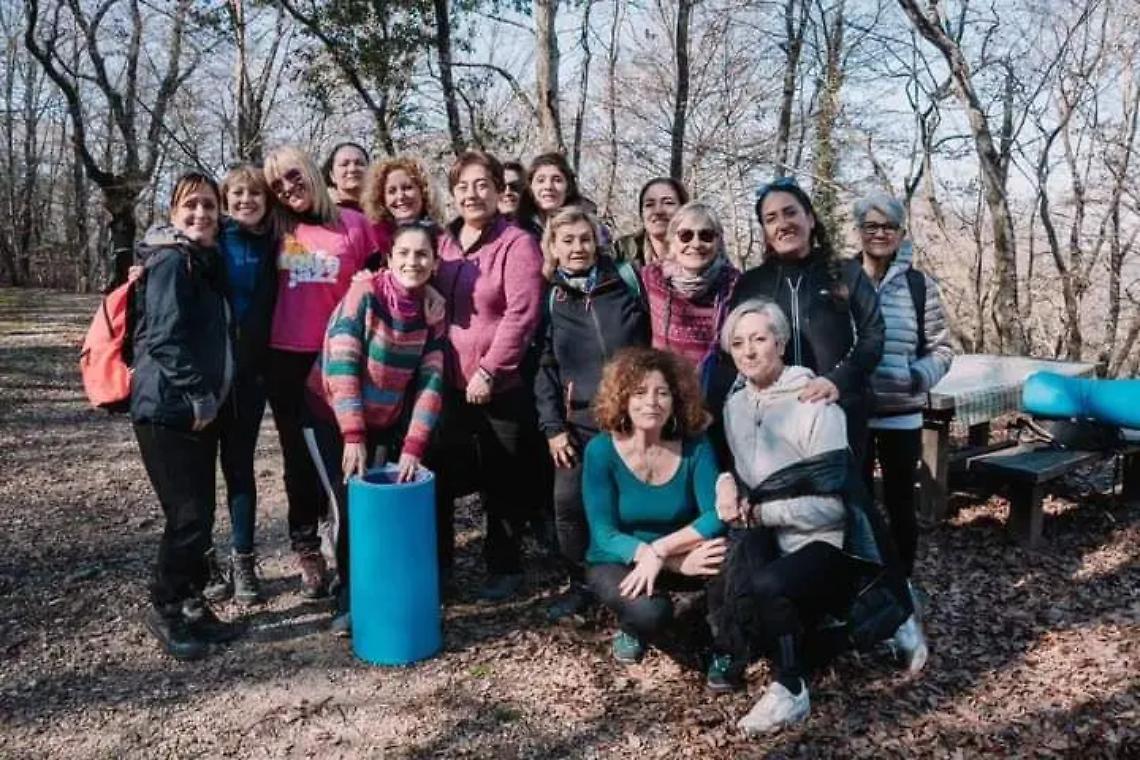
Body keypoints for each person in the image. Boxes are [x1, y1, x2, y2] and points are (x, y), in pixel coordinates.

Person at [711, 298, 921, 735]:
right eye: (737, 343)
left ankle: (791, 691)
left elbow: (832, 503)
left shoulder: (814, 403)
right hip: (776, 536)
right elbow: (751, 480)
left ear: (781, 343)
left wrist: (761, 512)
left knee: (769, 586)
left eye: (759, 339)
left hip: (831, 543)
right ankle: (856, 626)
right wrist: (725, 485)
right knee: (740, 593)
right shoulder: (734, 408)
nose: (748, 351)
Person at [303, 222, 447, 636]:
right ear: (389, 257)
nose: (412, 262)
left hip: (384, 418)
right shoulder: (363, 294)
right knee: (349, 505)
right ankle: (349, 598)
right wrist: (352, 435)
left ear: (434, 262)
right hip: (330, 414)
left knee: (379, 509)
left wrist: (414, 446)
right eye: (403, 253)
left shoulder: (433, 312)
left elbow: (431, 382)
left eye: (422, 255)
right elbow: (342, 365)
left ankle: (380, 592)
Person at [131, 172, 245, 661]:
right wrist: (200, 395)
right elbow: (163, 337)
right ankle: (165, 606)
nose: (200, 214)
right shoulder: (172, 262)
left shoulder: (205, 260)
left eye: (208, 206)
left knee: (200, 514)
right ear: (173, 213)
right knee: (187, 518)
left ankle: (194, 605)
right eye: (189, 206)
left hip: (197, 412)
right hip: (167, 411)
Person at [429, 150, 545, 601]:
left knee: (504, 478)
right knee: (437, 471)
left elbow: (522, 315)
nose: (472, 194)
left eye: (481, 185)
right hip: (448, 384)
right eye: (462, 187)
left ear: (499, 190)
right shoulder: (444, 243)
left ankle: (505, 567)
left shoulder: (517, 244)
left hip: (500, 385)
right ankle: (440, 568)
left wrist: (489, 370)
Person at [263, 145, 378, 599]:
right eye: (277, 185)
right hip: (286, 358)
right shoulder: (276, 228)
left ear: (311, 170)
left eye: (293, 176)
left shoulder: (355, 225)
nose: (288, 188)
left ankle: (344, 542)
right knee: (297, 460)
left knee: (342, 457)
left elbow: (383, 279)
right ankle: (306, 547)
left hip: (341, 357)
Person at [534, 207, 650, 619]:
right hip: (577, 422)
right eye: (567, 241)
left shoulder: (626, 281)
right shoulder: (551, 297)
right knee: (568, 504)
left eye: (584, 239)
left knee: (630, 502)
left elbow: (652, 343)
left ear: (597, 241)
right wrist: (553, 428)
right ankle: (580, 584)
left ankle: (635, 584)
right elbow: (545, 367)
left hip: (632, 418)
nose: (577, 248)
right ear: (553, 247)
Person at [582, 347, 727, 667]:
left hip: (679, 550)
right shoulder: (600, 451)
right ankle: (631, 629)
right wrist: (667, 561)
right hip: (619, 559)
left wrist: (663, 551)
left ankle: (725, 646)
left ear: (675, 401)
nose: (651, 402)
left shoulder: (696, 446)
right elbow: (604, 533)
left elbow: (717, 514)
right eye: (639, 392)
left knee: (732, 559)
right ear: (623, 399)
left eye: (662, 392)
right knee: (651, 613)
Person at [725, 178, 884, 466]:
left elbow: (873, 335)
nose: (782, 223)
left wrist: (838, 381)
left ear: (810, 218)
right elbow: (736, 349)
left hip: (842, 409)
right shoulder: (751, 284)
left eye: (790, 212)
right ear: (765, 231)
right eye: (771, 218)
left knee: (844, 504)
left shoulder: (847, 273)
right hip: (775, 422)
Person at [854, 192, 953, 580]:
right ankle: (862, 582)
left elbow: (942, 347)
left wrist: (918, 377)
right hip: (854, 415)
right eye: (871, 225)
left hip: (903, 416)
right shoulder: (843, 278)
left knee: (899, 505)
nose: (880, 233)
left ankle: (901, 584)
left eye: (888, 226)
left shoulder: (918, 285)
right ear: (859, 230)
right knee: (857, 504)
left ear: (901, 232)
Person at [200, 163, 279, 606]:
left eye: (254, 194)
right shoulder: (210, 240)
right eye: (237, 195)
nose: (246, 201)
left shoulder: (278, 243)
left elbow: (315, 275)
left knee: (240, 468)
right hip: (209, 374)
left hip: (251, 375)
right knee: (199, 476)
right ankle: (206, 560)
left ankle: (243, 560)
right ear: (226, 201)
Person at [642, 201, 740, 384]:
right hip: (666, 393)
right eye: (686, 236)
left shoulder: (736, 286)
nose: (696, 244)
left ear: (718, 241)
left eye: (706, 235)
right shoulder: (652, 278)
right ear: (672, 241)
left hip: (715, 396)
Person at [613, 177, 689, 267]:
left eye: (668, 203)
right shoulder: (623, 251)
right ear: (641, 213)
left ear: (684, 210)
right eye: (649, 205)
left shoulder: (698, 249)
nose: (658, 211)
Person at [361, 157, 442, 236]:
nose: (400, 196)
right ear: (382, 199)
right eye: (392, 191)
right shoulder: (375, 239)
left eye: (407, 188)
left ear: (423, 191)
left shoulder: (442, 238)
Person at [323, 141, 370, 212]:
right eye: (344, 164)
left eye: (359, 163)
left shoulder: (384, 210)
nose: (352, 169)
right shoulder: (324, 213)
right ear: (332, 176)